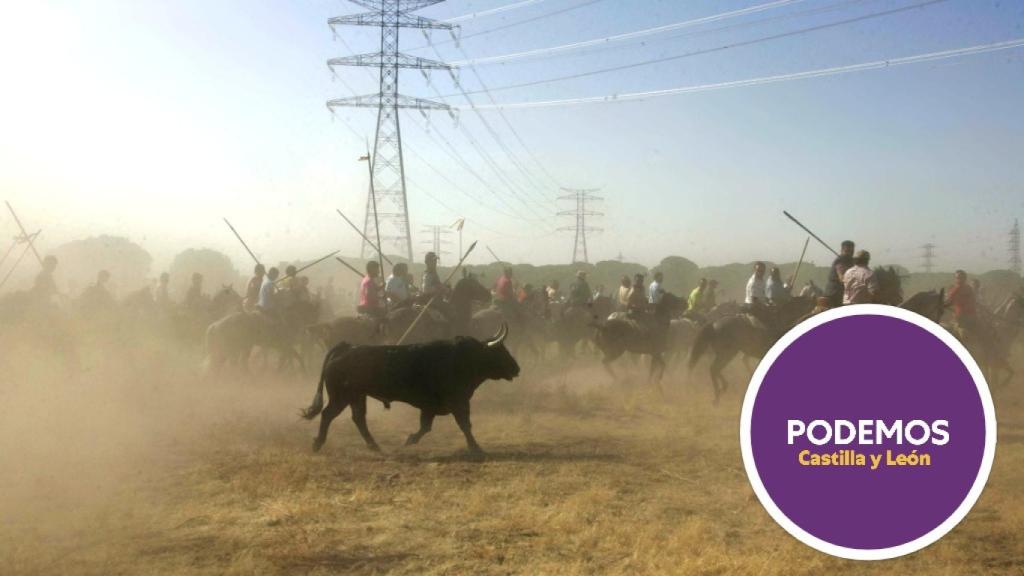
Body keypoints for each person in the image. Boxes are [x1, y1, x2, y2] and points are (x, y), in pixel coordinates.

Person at [825, 240, 855, 308]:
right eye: (847, 251)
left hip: (841, 293)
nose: (850, 254)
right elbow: (842, 278)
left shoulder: (849, 261)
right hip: (835, 293)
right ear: (842, 250)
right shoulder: (840, 261)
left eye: (851, 252)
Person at [946, 270, 978, 334]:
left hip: (963, 318)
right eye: (957, 278)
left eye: (960, 278)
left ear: (964, 279)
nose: (958, 280)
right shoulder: (968, 288)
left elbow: (948, 301)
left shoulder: (959, 289)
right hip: (969, 317)